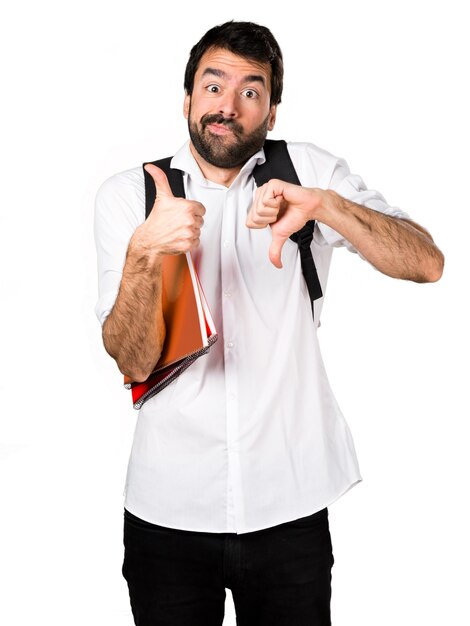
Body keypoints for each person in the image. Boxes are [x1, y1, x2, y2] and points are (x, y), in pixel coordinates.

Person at [93, 20, 444, 626]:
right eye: (213, 86)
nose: (227, 106)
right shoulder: (131, 196)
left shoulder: (308, 172)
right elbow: (131, 360)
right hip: (169, 512)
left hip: (291, 506)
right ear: (187, 100)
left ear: (272, 112)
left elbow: (426, 263)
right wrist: (144, 254)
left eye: (250, 91)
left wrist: (327, 205)